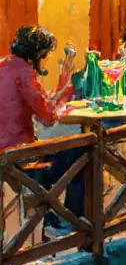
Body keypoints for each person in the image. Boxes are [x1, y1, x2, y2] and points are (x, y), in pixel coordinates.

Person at [0, 27, 81, 235]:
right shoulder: (25, 73)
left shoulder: (4, 66)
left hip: (5, 153)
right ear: (37, 54)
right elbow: (47, 117)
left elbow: (36, 104)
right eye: (45, 56)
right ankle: (65, 221)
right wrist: (64, 89)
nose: (45, 61)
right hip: (18, 156)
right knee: (81, 153)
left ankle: (51, 217)